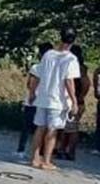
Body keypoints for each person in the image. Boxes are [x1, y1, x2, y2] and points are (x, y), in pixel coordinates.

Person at [30, 26, 80, 170]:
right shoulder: (71, 59)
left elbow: (37, 75)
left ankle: (34, 158)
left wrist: (33, 93)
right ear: (73, 41)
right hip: (57, 100)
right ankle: (46, 161)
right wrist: (74, 101)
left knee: (40, 128)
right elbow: (68, 81)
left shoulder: (48, 55)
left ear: (60, 37)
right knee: (52, 130)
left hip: (43, 97)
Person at [15, 42, 52, 159]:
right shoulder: (53, 70)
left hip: (33, 100)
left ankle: (21, 149)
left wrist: (32, 94)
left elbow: (29, 84)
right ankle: (40, 153)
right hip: (45, 101)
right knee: (42, 128)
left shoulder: (36, 67)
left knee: (26, 126)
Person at [57, 45, 91, 161]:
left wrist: (78, 98)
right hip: (77, 101)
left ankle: (66, 151)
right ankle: (66, 150)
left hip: (73, 101)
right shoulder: (82, 68)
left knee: (69, 128)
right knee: (70, 128)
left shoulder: (77, 69)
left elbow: (84, 84)